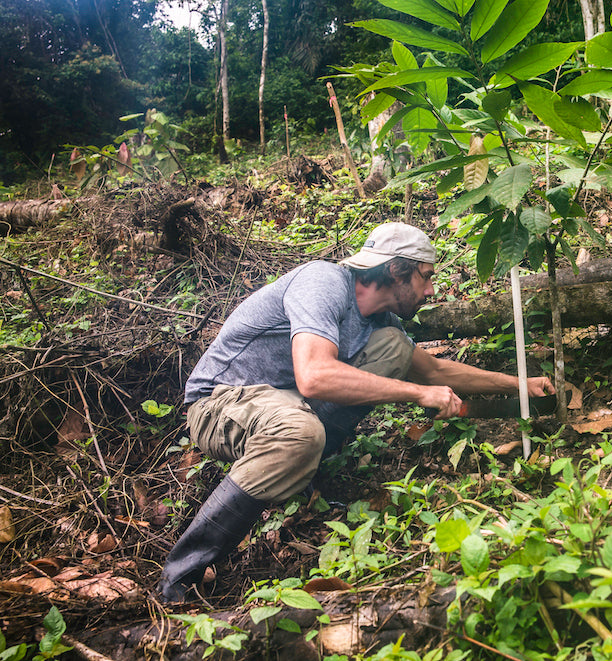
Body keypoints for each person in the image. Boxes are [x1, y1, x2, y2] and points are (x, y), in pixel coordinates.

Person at [159, 221, 554, 603]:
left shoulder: (378, 320)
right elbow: (314, 377)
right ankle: (182, 573)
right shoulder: (323, 282)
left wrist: (519, 384)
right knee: (300, 432)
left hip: (283, 401)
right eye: (425, 276)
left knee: (394, 347)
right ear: (397, 270)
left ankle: (309, 475)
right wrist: (418, 394)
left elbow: (436, 370)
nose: (431, 289)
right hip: (220, 403)